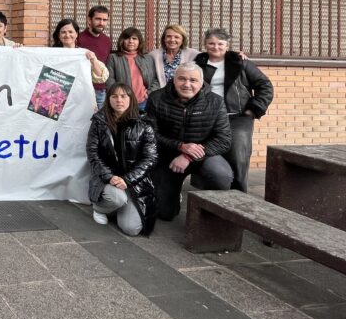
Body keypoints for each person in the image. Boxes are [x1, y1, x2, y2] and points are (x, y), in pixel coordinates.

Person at [145, 63, 233, 221]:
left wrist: (188, 156)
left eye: (193, 80)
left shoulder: (216, 102)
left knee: (221, 176)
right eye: (182, 79)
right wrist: (180, 146)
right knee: (164, 213)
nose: (187, 84)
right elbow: (150, 135)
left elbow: (224, 139)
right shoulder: (156, 98)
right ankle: (172, 196)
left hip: (204, 154)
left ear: (201, 82)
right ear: (173, 80)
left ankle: (210, 212)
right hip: (169, 156)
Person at [195, 28, 274, 192]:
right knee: (207, 154)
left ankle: (238, 194)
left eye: (220, 44)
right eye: (211, 43)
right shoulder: (198, 63)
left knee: (238, 156)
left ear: (227, 45)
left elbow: (265, 86)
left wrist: (253, 109)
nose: (216, 47)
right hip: (207, 117)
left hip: (237, 117)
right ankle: (208, 194)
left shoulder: (240, 62)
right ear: (205, 44)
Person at [87, 83, 158, 236]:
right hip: (107, 179)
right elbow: (93, 153)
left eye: (123, 96)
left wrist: (127, 180)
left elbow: (150, 158)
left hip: (133, 181)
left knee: (131, 229)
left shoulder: (144, 124)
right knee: (116, 198)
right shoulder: (99, 121)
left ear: (131, 99)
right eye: (114, 96)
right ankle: (100, 209)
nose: (119, 100)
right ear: (108, 99)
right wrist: (109, 176)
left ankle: (120, 206)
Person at [105, 27, 159, 110]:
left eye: (134, 38)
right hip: (122, 102)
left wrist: (149, 93)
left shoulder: (148, 58)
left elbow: (155, 79)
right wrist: (118, 96)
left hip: (143, 102)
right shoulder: (113, 58)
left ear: (139, 41)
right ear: (122, 41)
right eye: (127, 38)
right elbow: (109, 80)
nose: (131, 41)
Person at [52, 17, 109, 85]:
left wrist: (93, 60)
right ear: (59, 35)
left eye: (70, 32)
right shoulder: (52, 54)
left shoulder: (84, 54)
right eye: (63, 32)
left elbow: (101, 77)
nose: (67, 35)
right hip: (57, 90)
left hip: (80, 90)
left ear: (76, 34)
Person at [76, 6, 112, 107]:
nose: (101, 23)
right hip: (81, 90)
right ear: (89, 20)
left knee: (99, 117)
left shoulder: (107, 41)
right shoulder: (78, 39)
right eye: (98, 19)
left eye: (104, 20)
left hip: (100, 91)